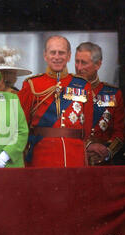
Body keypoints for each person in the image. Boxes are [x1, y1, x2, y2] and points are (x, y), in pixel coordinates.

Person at [17, 35, 93, 167]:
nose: (57, 57)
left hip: (74, 155)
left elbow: (86, 127)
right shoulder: (32, 85)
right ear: (45, 55)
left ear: (69, 56)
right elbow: (21, 124)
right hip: (42, 155)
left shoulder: (83, 85)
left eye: (61, 53)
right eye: (53, 52)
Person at [74, 42, 125, 165]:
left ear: (98, 64)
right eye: (77, 62)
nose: (79, 67)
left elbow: (120, 132)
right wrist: (87, 146)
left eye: (84, 63)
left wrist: (107, 151)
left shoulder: (113, 93)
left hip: (104, 162)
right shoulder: (66, 91)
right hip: (74, 156)